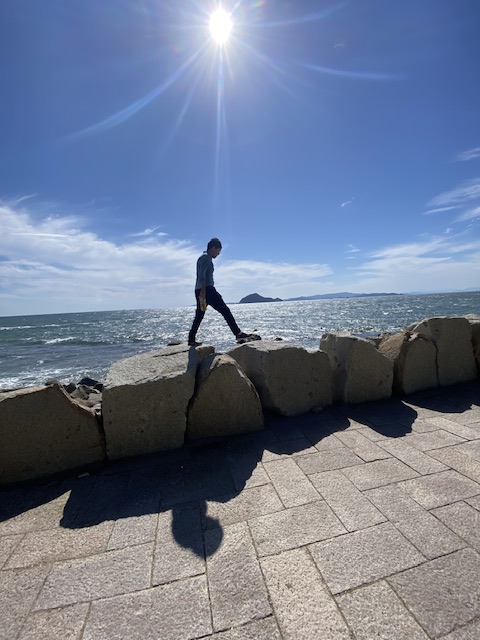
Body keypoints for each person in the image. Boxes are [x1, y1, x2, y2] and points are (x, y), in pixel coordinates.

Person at [188, 238, 260, 347]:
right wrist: (203, 292)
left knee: (199, 315)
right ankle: (238, 333)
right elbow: (202, 275)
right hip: (207, 290)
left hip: (201, 290)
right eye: (218, 251)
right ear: (213, 248)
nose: (218, 253)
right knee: (225, 311)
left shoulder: (203, 258)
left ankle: (191, 339)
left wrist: (201, 292)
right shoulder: (206, 258)